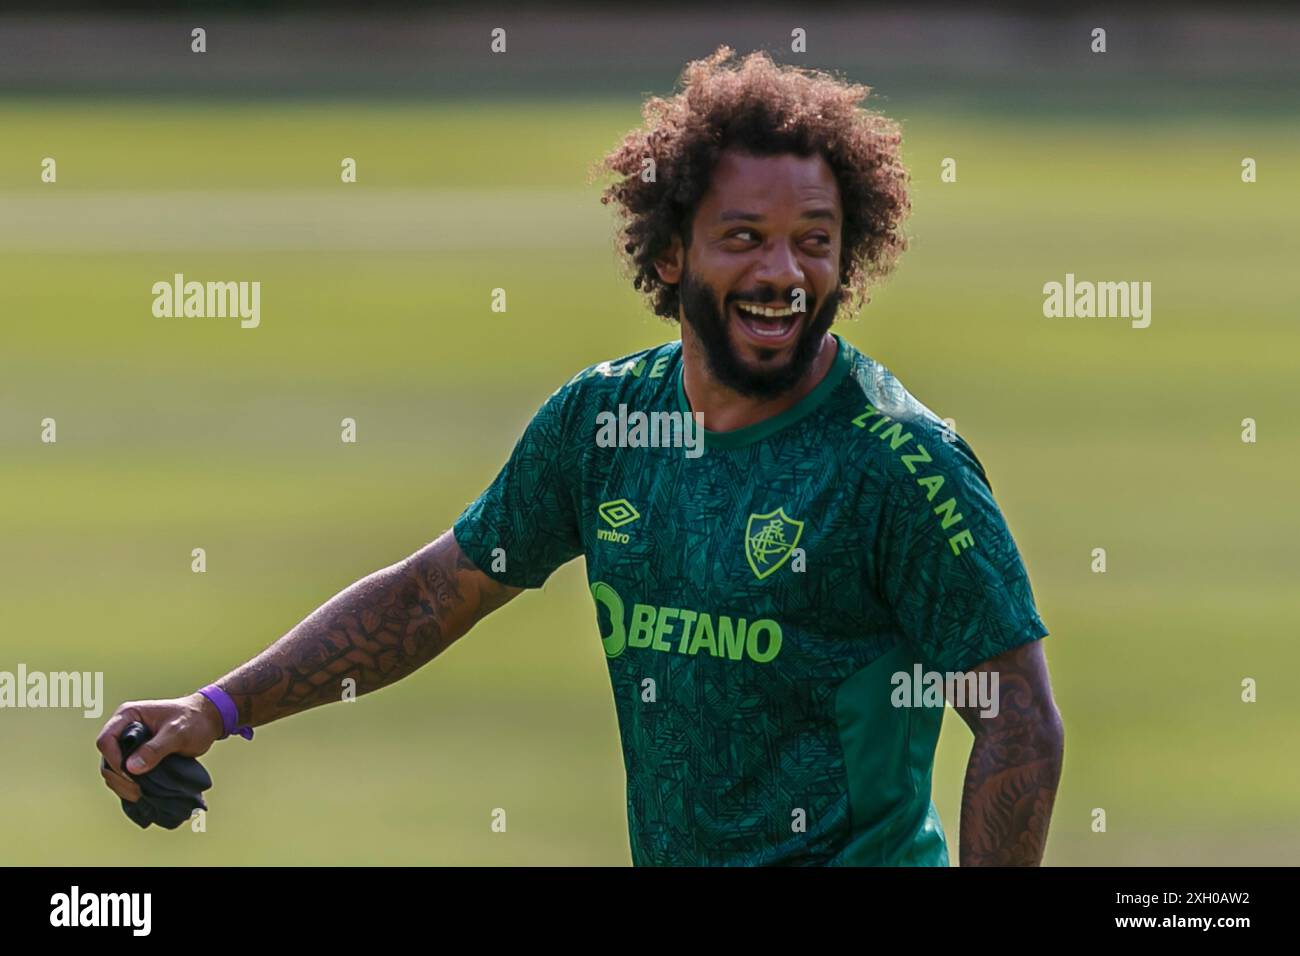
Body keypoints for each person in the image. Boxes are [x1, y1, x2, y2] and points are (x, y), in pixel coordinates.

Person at [98, 46, 1063, 866]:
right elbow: (437, 591)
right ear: (674, 250)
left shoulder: (900, 462)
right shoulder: (604, 421)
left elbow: (1018, 719)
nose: (783, 272)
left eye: (815, 242)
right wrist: (218, 707)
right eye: (745, 238)